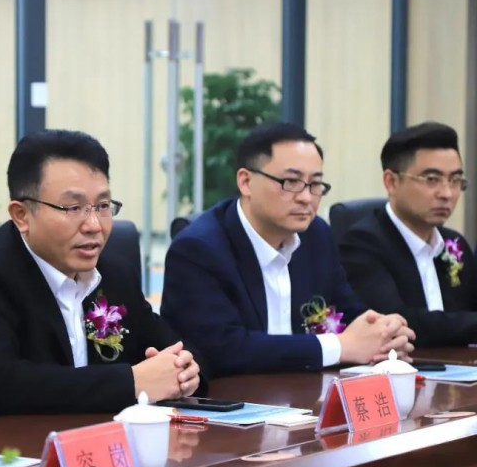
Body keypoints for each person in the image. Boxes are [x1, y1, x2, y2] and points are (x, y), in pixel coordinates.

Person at [0, 129, 204, 417]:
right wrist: (131, 382)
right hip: (5, 442)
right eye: (73, 207)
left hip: (99, 438)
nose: (94, 225)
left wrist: (184, 370)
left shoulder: (115, 273)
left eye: (102, 206)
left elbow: (174, 347)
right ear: (22, 215)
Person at [161, 122, 415, 377]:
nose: (306, 197)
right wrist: (340, 346)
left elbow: (347, 310)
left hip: (307, 391)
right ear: (246, 182)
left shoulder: (316, 235)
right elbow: (222, 349)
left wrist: (383, 331)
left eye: (315, 184)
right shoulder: (198, 249)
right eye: (291, 181)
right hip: (233, 397)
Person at [338, 122, 477, 346]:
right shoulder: (362, 244)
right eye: (432, 180)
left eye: (455, 180)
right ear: (391, 182)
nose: (447, 193)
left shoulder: (454, 243)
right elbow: (398, 322)